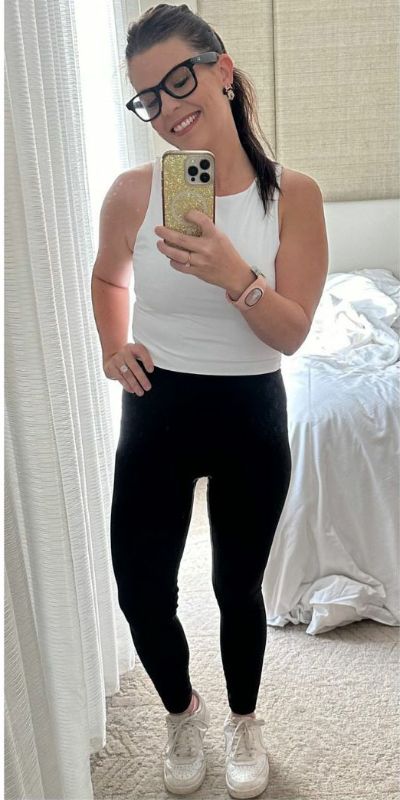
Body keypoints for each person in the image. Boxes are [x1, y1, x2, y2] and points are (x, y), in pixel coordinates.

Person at [91, 4, 328, 798]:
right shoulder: (132, 193)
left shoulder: (293, 195)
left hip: (249, 413)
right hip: (155, 407)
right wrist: (112, 344)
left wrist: (236, 275)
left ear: (222, 71)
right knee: (140, 591)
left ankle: (245, 721)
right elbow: (108, 276)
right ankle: (182, 710)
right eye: (147, 97)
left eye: (178, 80)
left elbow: (291, 333)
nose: (166, 107)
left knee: (236, 589)